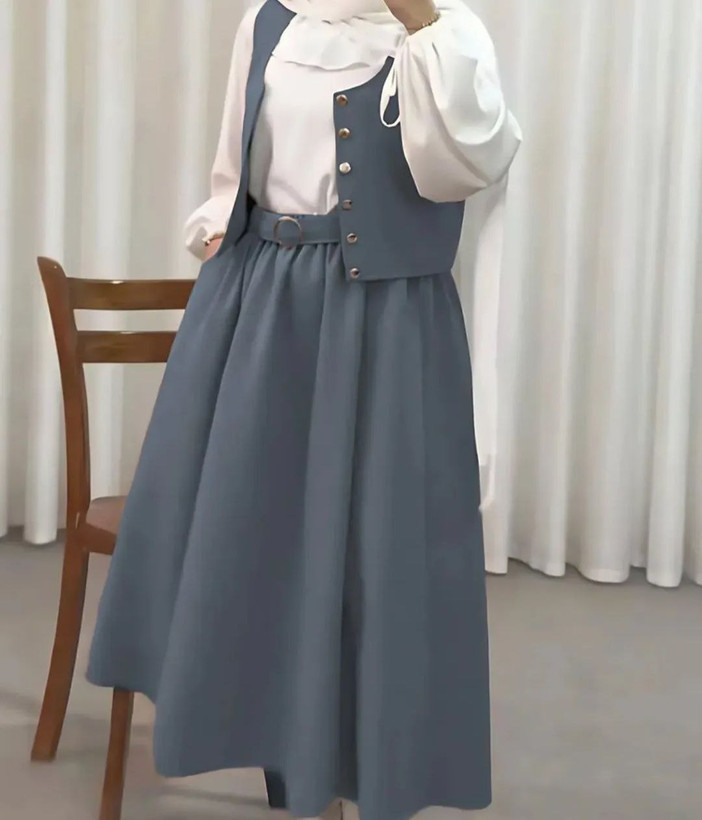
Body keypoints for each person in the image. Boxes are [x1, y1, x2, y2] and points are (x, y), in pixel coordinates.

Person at [87, 1, 521, 819]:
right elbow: (232, 175)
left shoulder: (446, 34)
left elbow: (467, 165)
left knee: (374, 555)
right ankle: (293, 773)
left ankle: (365, 775)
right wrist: (217, 246)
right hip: (261, 310)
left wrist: (423, 26)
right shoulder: (270, 20)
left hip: (386, 323)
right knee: (256, 547)